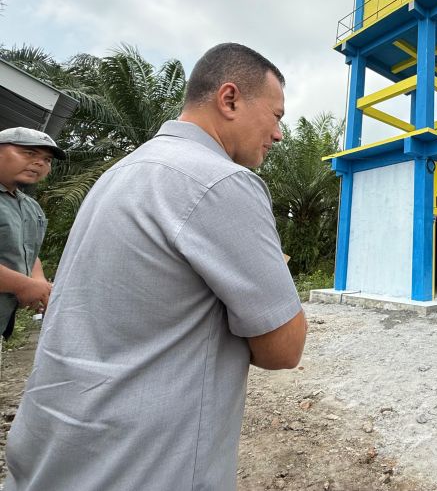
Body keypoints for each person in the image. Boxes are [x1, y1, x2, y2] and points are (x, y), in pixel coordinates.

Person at [5, 43, 308, 491]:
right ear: (230, 99)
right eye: (277, 116)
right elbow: (283, 348)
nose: (279, 134)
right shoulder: (221, 181)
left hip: (57, 451)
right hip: (145, 465)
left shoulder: (120, 174)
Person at [0, 128, 64, 340]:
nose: (40, 163)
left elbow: (28, 249)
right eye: (29, 153)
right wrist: (23, 285)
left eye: (47, 159)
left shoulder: (30, 206)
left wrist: (39, 283)